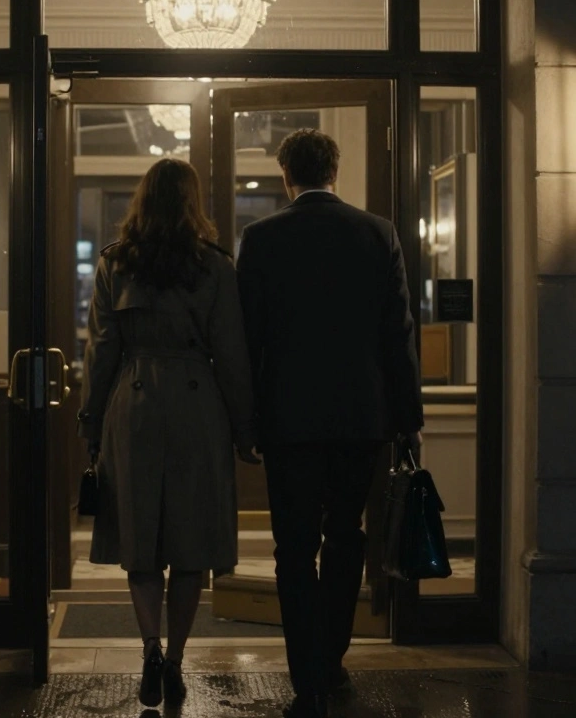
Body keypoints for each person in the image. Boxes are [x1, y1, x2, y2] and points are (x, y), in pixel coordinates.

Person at [236, 128, 424, 718]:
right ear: (334, 173)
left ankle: (305, 678)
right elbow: (398, 334)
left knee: (293, 549)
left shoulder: (262, 239)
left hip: (289, 420)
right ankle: (332, 659)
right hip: (360, 418)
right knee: (347, 540)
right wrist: (408, 419)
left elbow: (248, 340)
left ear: (285, 176)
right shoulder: (378, 234)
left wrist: (247, 421)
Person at [77, 158, 256, 709]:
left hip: (132, 404)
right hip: (198, 405)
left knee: (141, 539)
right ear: (191, 202)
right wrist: (246, 429)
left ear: (141, 200)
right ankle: (175, 659)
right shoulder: (216, 268)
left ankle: (149, 648)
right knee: (191, 542)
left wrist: (90, 421)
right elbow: (231, 356)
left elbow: (101, 350)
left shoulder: (115, 264)